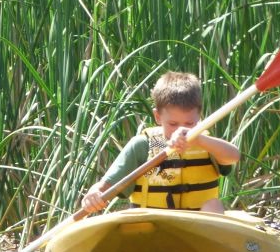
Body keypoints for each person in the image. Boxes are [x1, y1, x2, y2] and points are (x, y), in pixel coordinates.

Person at [81, 71, 240, 214]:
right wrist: (94, 193)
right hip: (153, 226)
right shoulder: (142, 145)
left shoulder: (206, 144)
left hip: (198, 227)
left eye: (189, 123)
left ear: (199, 116)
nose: (180, 129)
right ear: (157, 117)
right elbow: (105, 186)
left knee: (214, 205)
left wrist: (198, 139)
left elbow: (233, 156)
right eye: (173, 124)